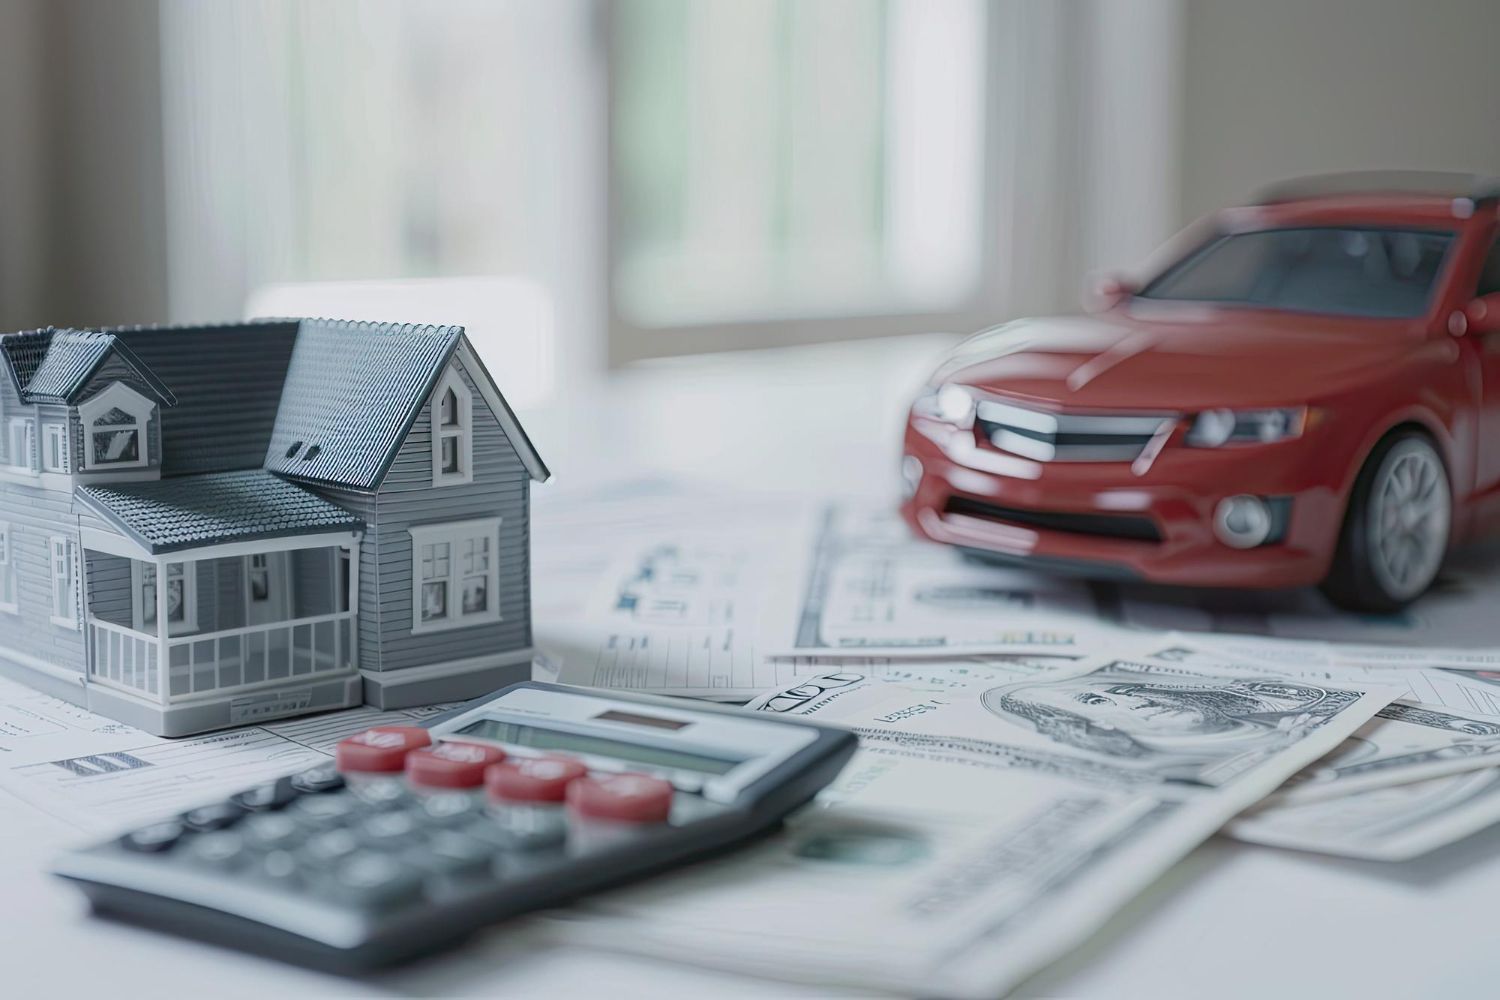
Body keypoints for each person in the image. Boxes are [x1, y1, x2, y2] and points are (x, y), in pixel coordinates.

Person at [982, 672, 1359, 776]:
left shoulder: (1278, 715)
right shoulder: (1185, 769)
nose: (1137, 700)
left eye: (1120, 691)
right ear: (1091, 725)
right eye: (1096, 703)